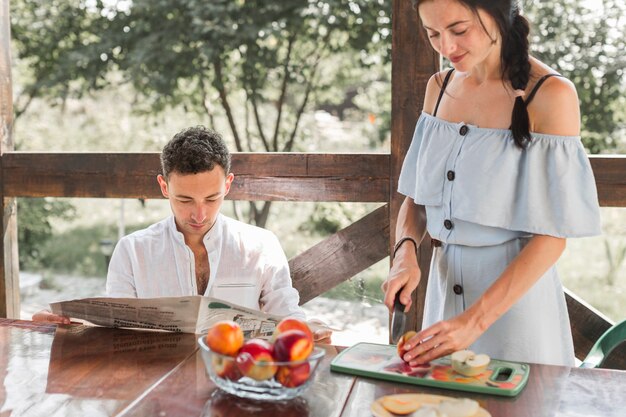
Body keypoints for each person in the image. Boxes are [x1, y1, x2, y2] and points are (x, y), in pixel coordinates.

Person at [383, 0, 601, 366]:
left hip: (517, 316)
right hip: (444, 304)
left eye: (459, 29)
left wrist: (474, 321)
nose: (446, 48)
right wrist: (404, 251)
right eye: (433, 34)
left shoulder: (551, 95)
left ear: (498, 15)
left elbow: (552, 237)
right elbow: (417, 199)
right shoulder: (438, 88)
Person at [35, 126, 331, 342]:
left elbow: (287, 317)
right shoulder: (132, 250)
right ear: (164, 187)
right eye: (185, 200)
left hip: (238, 382)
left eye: (212, 198)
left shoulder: (262, 245)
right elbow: (115, 333)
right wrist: (68, 328)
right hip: (157, 390)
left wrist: (307, 330)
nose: (199, 215)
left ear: (228, 185)